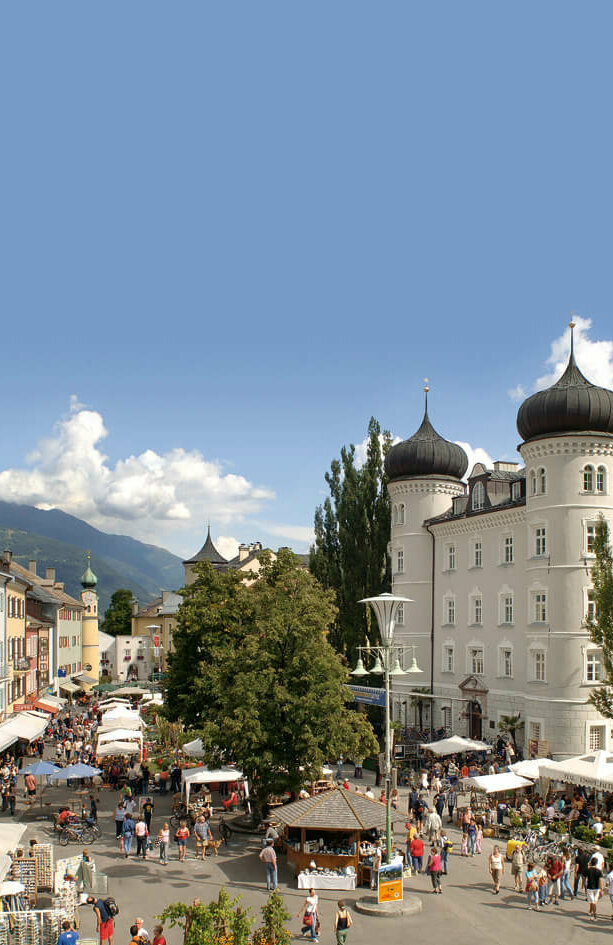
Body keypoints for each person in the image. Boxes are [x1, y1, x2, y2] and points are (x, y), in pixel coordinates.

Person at [586, 856, 603, 921]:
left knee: (592, 901)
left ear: (591, 862)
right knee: (593, 901)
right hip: (597, 888)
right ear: (596, 863)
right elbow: (600, 880)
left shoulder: (588, 870)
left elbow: (584, 877)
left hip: (590, 887)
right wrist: (601, 889)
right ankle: (590, 911)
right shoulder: (599, 871)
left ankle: (594, 915)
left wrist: (583, 885)